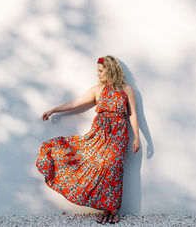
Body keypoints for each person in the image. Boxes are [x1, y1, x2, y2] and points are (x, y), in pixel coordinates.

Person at [36, 55, 140, 224]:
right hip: (98, 136)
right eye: (97, 71)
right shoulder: (97, 90)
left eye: (101, 71)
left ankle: (112, 210)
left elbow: (132, 114)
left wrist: (137, 137)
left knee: (112, 170)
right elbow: (74, 103)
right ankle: (107, 210)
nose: (98, 74)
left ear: (111, 69)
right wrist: (54, 110)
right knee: (99, 168)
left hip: (119, 137)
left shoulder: (126, 89)